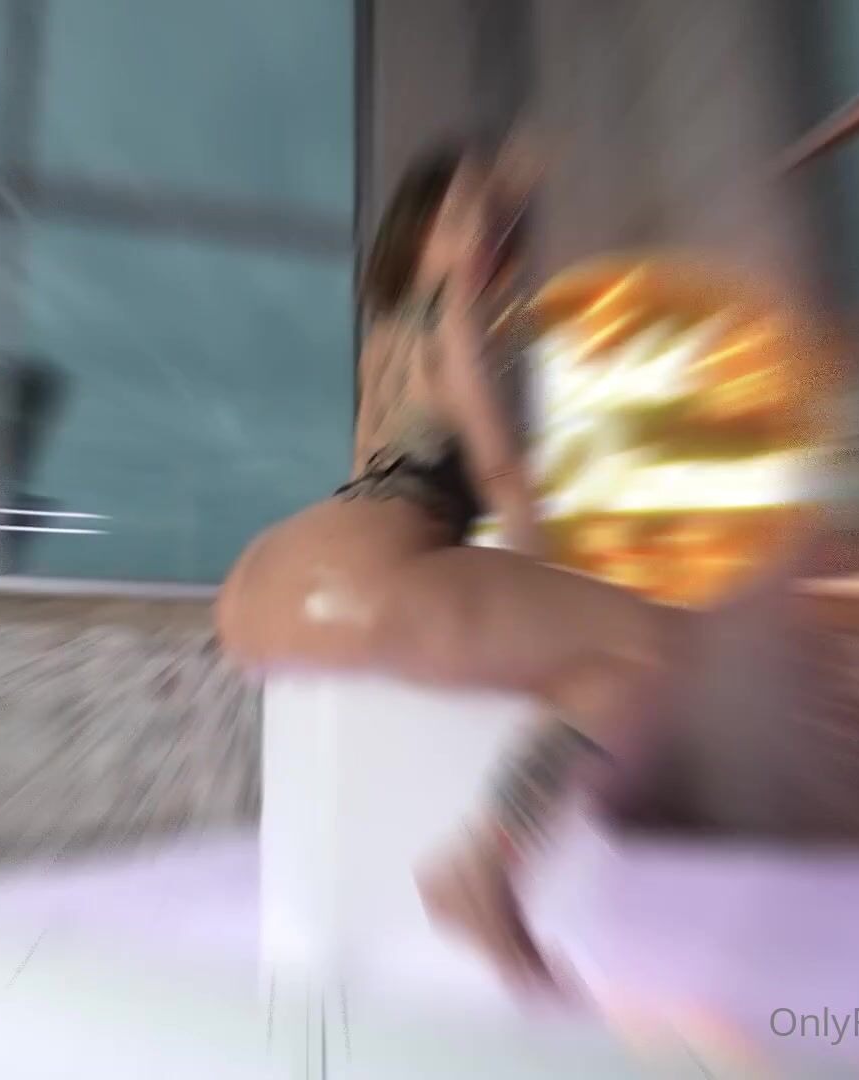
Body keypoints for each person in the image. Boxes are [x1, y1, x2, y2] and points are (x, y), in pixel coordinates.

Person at [214, 139, 684, 991]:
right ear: (419, 234)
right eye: (459, 216)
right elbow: (501, 474)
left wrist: (499, 194)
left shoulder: (382, 342)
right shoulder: (459, 316)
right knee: (642, 643)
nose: (482, 232)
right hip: (362, 584)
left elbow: (370, 470)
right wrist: (546, 586)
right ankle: (484, 867)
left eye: (490, 220)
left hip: (260, 589)